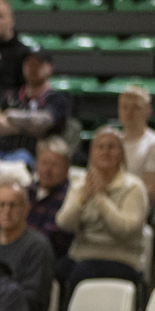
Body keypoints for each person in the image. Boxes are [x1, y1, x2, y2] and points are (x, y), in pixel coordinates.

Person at [55, 127, 148, 297]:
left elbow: (125, 230)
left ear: (121, 154)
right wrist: (83, 198)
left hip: (122, 259)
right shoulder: (80, 185)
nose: (105, 152)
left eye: (112, 147)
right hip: (82, 257)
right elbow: (64, 224)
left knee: (82, 273)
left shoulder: (134, 187)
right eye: (100, 147)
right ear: (92, 153)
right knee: (53, 272)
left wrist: (100, 198)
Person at [0, 46, 69, 166]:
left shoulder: (57, 98)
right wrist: (28, 127)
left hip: (31, 158)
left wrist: (9, 115)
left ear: (50, 68)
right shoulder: (11, 95)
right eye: (27, 63)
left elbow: (43, 122)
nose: (31, 67)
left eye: (37, 63)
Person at [0, 183, 55, 311]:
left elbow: (33, 299)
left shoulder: (38, 247)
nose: (7, 211)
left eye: (13, 205)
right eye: (1, 205)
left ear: (26, 208)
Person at [119, 85, 155, 217]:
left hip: (140, 216)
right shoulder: (112, 143)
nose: (129, 113)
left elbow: (150, 196)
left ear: (148, 111)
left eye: (136, 108)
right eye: (124, 107)